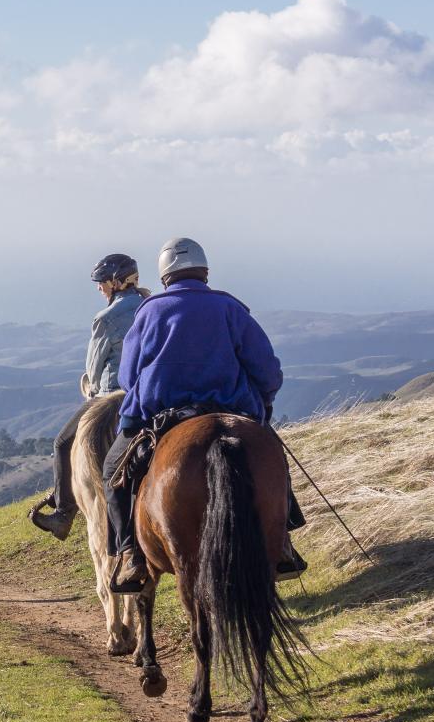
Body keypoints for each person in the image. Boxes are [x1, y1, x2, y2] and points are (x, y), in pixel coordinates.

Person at [102, 237, 307, 593]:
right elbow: (267, 371)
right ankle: (283, 539)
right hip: (232, 408)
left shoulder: (149, 312)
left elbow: (127, 376)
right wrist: (263, 403)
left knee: (112, 470)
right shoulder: (230, 308)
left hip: (162, 413)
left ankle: (130, 554)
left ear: (165, 277)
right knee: (269, 454)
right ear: (206, 272)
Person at [29, 253, 149, 540]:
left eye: (102, 283)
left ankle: (63, 514)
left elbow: (93, 371)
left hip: (109, 396)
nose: (99, 288)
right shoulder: (149, 307)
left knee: (62, 443)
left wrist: (92, 389)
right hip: (145, 396)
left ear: (116, 283)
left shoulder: (106, 319)